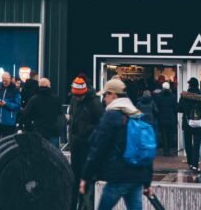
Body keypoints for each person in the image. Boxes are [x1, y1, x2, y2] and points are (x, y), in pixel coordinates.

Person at [79, 78, 154, 210]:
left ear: (113, 95)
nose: (104, 99)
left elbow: (97, 148)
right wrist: (147, 182)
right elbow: (145, 149)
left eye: (105, 95)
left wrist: (85, 176)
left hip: (119, 176)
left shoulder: (111, 116)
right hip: (137, 176)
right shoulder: (136, 114)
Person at [68, 74, 104, 209]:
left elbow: (102, 124)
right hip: (76, 146)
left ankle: (86, 206)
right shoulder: (74, 100)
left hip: (88, 147)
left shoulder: (94, 103)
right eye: (75, 96)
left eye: (79, 96)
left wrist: (87, 131)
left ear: (84, 93)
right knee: (76, 179)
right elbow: (73, 119)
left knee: (87, 180)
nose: (77, 98)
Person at [21, 76, 63, 146]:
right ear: (48, 86)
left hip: (38, 131)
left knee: (39, 154)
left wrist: (29, 128)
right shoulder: (56, 99)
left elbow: (26, 115)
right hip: (53, 131)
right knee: (53, 154)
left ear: (39, 86)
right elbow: (60, 114)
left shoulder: (33, 99)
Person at [178, 77, 201, 174]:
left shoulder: (185, 95)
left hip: (187, 123)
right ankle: (195, 165)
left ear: (190, 85)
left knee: (188, 143)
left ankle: (190, 162)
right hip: (199, 123)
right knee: (197, 144)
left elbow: (179, 108)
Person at [0, 71, 21, 143]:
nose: (4, 82)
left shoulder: (15, 91)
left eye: (6, 80)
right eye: (3, 80)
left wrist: (6, 104)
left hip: (9, 123)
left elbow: (17, 106)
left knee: (8, 144)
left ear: (10, 79)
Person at [153, 82, 178, 157]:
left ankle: (165, 150)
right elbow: (175, 108)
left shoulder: (158, 97)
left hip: (162, 117)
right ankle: (169, 149)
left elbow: (157, 107)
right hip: (171, 117)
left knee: (164, 135)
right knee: (171, 134)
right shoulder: (173, 96)